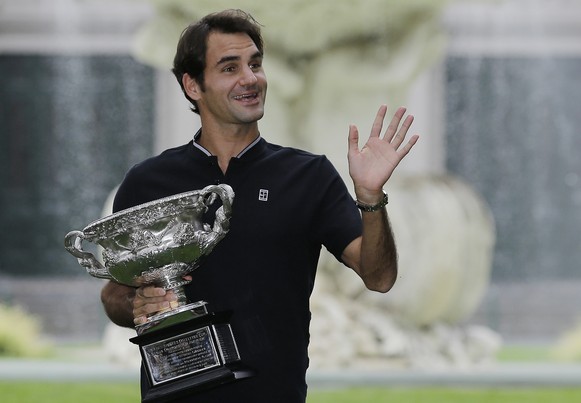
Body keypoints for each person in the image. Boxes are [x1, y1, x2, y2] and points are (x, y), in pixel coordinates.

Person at [100, 9, 418, 403]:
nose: (250, 78)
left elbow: (380, 276)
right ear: (193, 85)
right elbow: (114, 294)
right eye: (230, 68)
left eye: (255, 64)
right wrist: (136, 302)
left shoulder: (309, 175)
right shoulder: (147, 181)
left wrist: (371, 198)